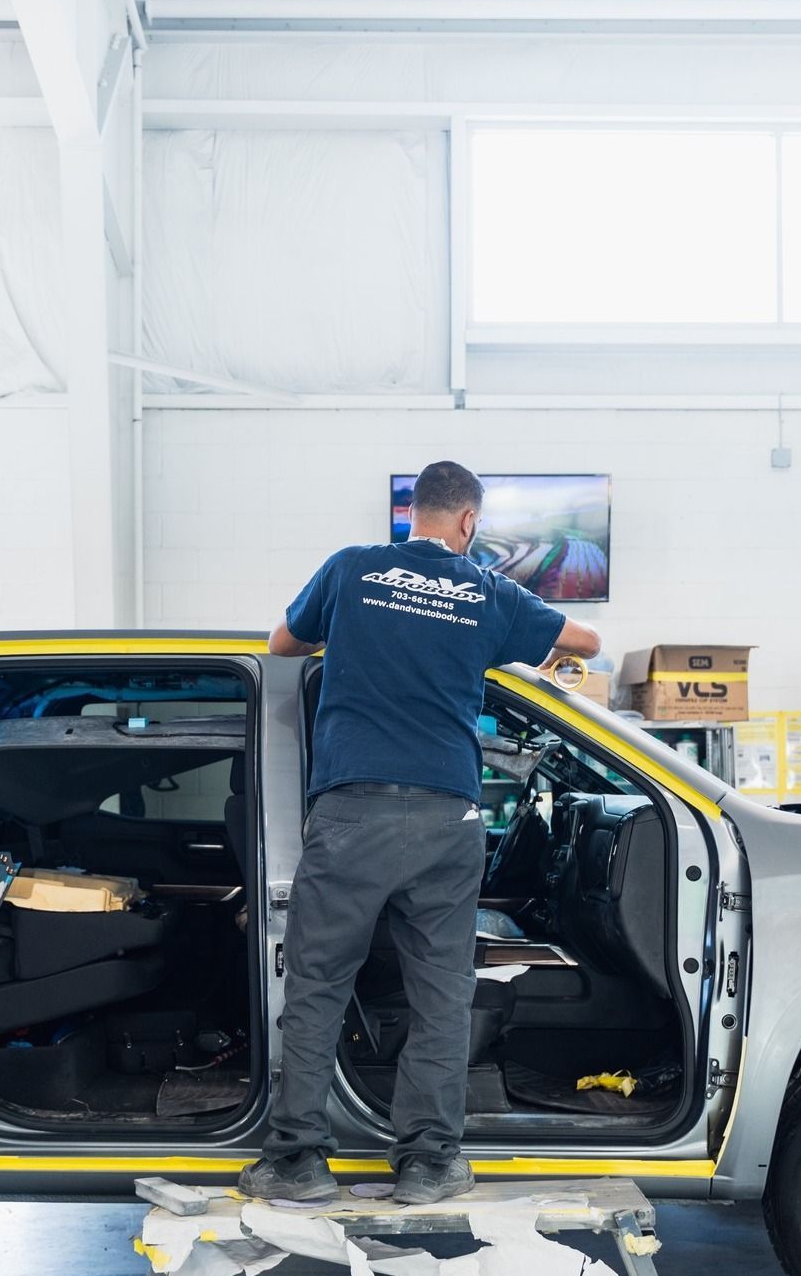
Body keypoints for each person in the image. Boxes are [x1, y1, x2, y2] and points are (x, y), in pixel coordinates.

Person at [238, 461, 601, 1206]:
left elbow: (280, 645)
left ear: (412, 514)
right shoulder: (488, 593)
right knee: (440, 995)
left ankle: (298, 1163)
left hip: (352, 815)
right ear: (469, 523)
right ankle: (429, 1164)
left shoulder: (351, 571)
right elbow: (586, 640)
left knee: (317, 989)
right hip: (446, 818)